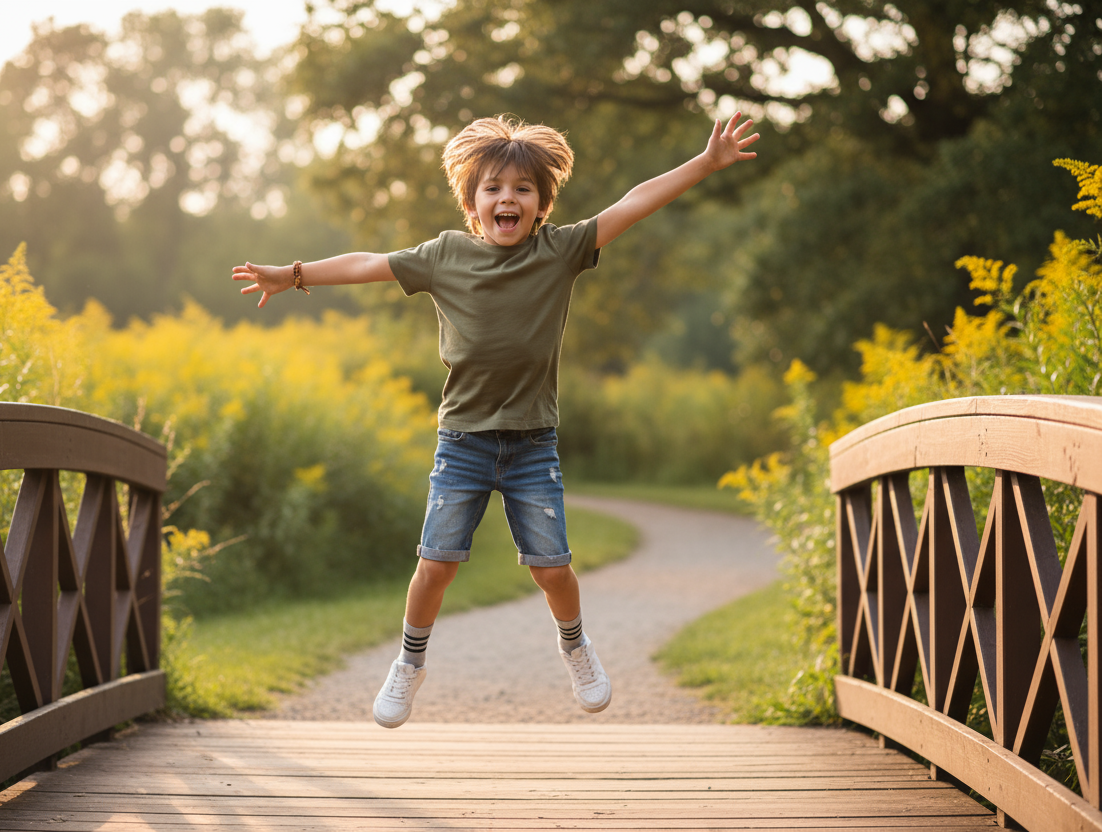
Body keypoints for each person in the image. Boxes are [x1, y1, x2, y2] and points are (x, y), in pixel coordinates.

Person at [232, 111, 759, 728]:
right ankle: (409, 663)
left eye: (522, 190)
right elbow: (366, 263)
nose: (508, 198)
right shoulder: (443, 256)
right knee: (437, 563)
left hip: (533, 443)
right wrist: (294, 275)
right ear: (472, 202)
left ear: (540, 205)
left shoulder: (560, 250)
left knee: (551, 568)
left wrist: (706, 163)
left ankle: (575, 645)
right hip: (463, 442)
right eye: (493, 189)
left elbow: (632, 203)